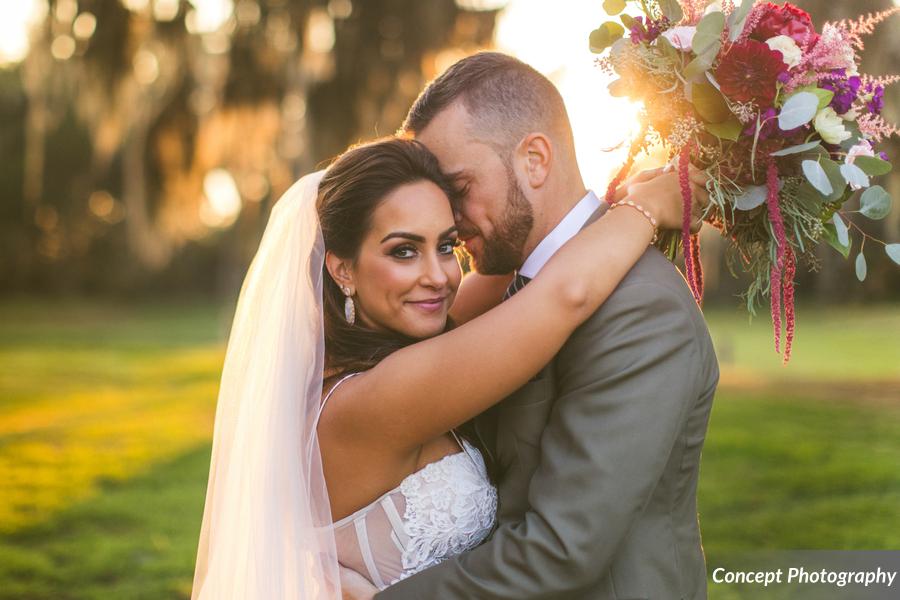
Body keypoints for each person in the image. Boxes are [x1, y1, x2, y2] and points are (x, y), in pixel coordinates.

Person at [191, 98, 708, 600]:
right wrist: (647, 207)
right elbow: (564, 294)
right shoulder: (381, 397)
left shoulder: (388, 350)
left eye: (446, 245)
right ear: (342, 268)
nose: (437, 276)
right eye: (403, 250)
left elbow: (517, 261)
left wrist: (620, 191)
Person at [347, 52, 719, 600]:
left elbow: (560, 549)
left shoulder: (640, 308)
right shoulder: (507, 288)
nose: (447, 218)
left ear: (535, 160)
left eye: (458, 186)